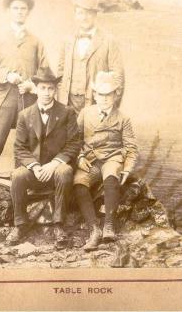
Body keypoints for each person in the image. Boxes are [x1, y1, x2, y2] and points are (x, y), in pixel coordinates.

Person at [0, 0, 49, 177]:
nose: (19, 12)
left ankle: (21, 188)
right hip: (3, 98)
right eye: (15, 8)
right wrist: (7, 75)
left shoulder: (36, 41)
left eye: (23, 9)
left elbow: (46, 72)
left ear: (28, 12)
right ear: (9, 11)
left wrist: (32, 84)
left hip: (29, 100)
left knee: (26, 147)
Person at [5, 68, 80, 247]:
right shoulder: (24, 115)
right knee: (17, 175)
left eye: (50, 89)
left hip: (56, 169)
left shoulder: (67, 112)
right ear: (36, 89)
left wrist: (53, 164)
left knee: (65, 171)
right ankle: (20, 225)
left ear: (55, 90)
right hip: (35, 171)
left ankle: (58, 225)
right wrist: (35, 167)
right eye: (43, 88)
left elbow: (74, 144)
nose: (47, 93)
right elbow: (19, 148)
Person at [73, 71, 139, 250]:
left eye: (108, 94)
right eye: (100, 94)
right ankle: (94, 229)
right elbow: (74, 140)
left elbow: (131, 148)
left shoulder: (123, 118)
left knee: (111, 177)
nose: (104, 99)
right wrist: (79, 157)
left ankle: (109, 225)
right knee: (79, 183)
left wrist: (127, 169)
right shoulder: (85, 113)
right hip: (90, 159)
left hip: (112, 158)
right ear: (94, 95)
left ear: (115, 95)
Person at [56, 0, 124, 113]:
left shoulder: (109, 41)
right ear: (75, 15)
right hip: (67, 104)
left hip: (95, 105)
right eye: (80, 13)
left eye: (89, 13)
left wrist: (109, 109)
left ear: (95, 15)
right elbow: (60, 73)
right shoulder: (67, 40)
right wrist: (61, 100)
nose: (84, 17)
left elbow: (118, 78)